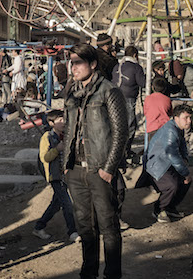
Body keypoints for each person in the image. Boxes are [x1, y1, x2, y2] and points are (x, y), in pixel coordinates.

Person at [62, 43, 128, 279]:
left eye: (78, 62)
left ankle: (112, 274)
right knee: (85, 227)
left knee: (108, 226)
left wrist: (109, 168)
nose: (74, 67)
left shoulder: (110, 91)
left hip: (100, 168)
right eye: (72, 62)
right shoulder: (72, 93)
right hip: (76, 170)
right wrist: (65, 166)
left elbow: (121, 132)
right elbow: (69, 131)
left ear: (92, 64)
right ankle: (88, 272)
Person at [33, 109, 79, 242]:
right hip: (56, 176)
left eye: (64, 119)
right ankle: (72, 232)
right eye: (60, 120)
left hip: (66, 175)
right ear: (51, 122)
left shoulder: (67, 135)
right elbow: (44, 158)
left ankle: (38, 227)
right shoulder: (47, 137)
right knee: (67, 204)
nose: (63, 122)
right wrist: (57, 149)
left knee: (56, 204)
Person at [146, 105, 193, 223]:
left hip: (167, 163)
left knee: (185, 181)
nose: (189, 121)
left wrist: (185, 160)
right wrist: (185, 172)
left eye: (190, 118)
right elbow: (172, 155)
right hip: (157, 165)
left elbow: (182, 147)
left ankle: (170, 207)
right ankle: (159, 209)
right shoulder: (171, 131)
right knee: (172, 185)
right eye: (186, 118)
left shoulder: (178, 128)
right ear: (176, 118)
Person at [111, 45, 144, 160]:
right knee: (130, 125)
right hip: (129, 97)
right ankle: (125, 151)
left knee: (118, 125)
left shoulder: (117, 66)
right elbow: (142, 83)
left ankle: (118, 150)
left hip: (115, 97)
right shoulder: (136, 67)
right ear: (135, 55)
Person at [143, 77, 173, 143]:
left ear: (152, 87)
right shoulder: (167, 99)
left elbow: (145, 112)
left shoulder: (148, 99)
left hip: (151, 127)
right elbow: (170, 113)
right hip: (165, 127)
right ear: (165, 89)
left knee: (152, 149)